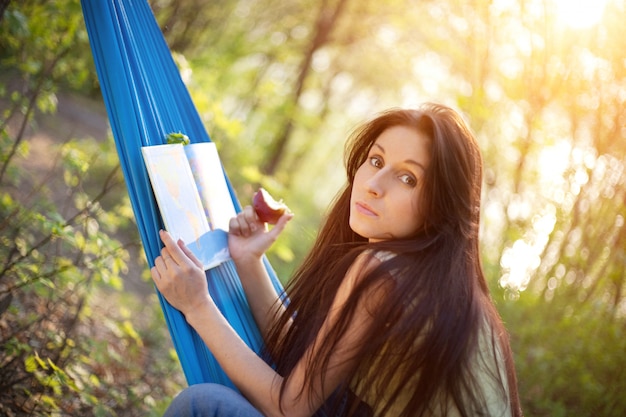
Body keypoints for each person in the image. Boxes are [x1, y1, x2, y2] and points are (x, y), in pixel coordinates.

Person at [151, 103, 523, 417]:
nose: (374, 183)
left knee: (202, 406)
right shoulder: (444, 284)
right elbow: (308, 362)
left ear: (440, 206)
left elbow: (291, 406)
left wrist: (197, 306)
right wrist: (249, 263)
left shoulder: (385, 271)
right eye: (376, 160)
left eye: (408, 179)